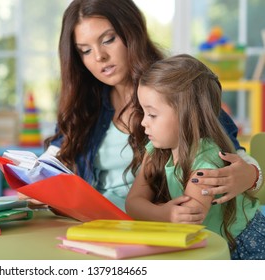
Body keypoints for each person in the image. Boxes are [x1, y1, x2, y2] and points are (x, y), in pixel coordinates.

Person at [36, 0, 262, 211]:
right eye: (85, 50)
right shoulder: (85, 104)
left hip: (151, 227)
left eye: (108, 40)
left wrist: (251, 175)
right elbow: (53, 157)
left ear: (131, 32)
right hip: (94, 221)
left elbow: (236, 157)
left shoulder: (173, 88)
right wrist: (35, 182)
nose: (99, 57)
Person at [125, 54, 265, 259]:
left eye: (152, 114)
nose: (143, 122)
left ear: (187, 116)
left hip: (243, 247)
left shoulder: (207, 159)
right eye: (144, 113)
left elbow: (188, 219)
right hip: (210, 247)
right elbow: (133, 203)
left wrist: (159, 214)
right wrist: (165, 214)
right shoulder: (156, 149)